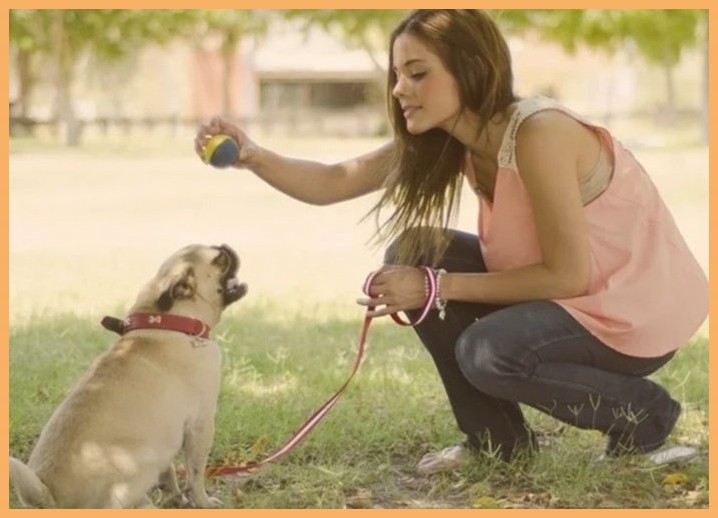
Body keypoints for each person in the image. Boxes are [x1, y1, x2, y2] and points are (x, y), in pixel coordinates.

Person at [194, 9, 708, 475]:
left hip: (628, 311)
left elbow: (567, 275)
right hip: (573, 296)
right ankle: (497, 441)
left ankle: (645, 416)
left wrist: (434, 287)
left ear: (472, 69)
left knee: (487, 351)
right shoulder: (448, 138)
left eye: (418, 73)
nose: (399, 88)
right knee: (416, 248)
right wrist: (253, 156)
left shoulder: (540, 133)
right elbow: (335, 180)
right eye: (397, 74)